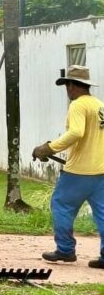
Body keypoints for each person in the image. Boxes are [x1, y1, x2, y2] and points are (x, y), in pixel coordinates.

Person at [33, 65, 104, 269]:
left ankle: (65, 250)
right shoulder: (99, 105)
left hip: (79, 172)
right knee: (102, 213)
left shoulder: (78, 105)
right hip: (101, 170)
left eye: (67, 86)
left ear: (72, 86)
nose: (67, 90)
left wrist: (49, 148)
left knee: (61, 205)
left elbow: (76, 132)